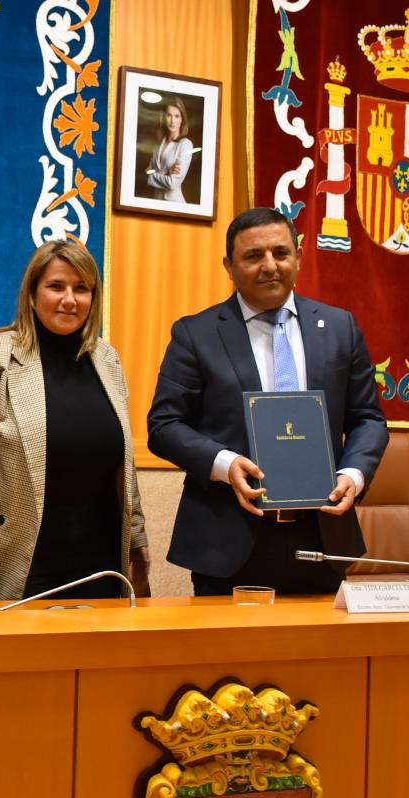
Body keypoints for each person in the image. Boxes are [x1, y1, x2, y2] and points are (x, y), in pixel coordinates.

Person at [146, 207, 388, 596]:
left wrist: (353, 475)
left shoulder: (340, 328)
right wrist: (224, 464)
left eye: (281, 252)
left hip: (321, 535)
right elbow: (164, 426)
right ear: (229, 265)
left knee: (322, 657)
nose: (270, 266)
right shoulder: (196, 333)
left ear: (299, 257)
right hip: (227, 540)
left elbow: (368, 419)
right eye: (253, 256)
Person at [0, 240, 150, 602]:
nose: (70, 299)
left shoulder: (107, 360)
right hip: (20, 559)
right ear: (33, 295)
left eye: (81, 288)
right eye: (56, 286)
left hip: (100, 561)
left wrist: (136, 542)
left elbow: (124, 467)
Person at [145, 96, 194, 203]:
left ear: (182, 120)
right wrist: (166, 174)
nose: (172, 121)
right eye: (169, 115)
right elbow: (147, 173)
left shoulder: (185, 145)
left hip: (174, 204)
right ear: (163, 117)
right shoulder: (159, 144)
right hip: (156, 201)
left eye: (177, 116)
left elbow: (172, 183)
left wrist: (153, 176)